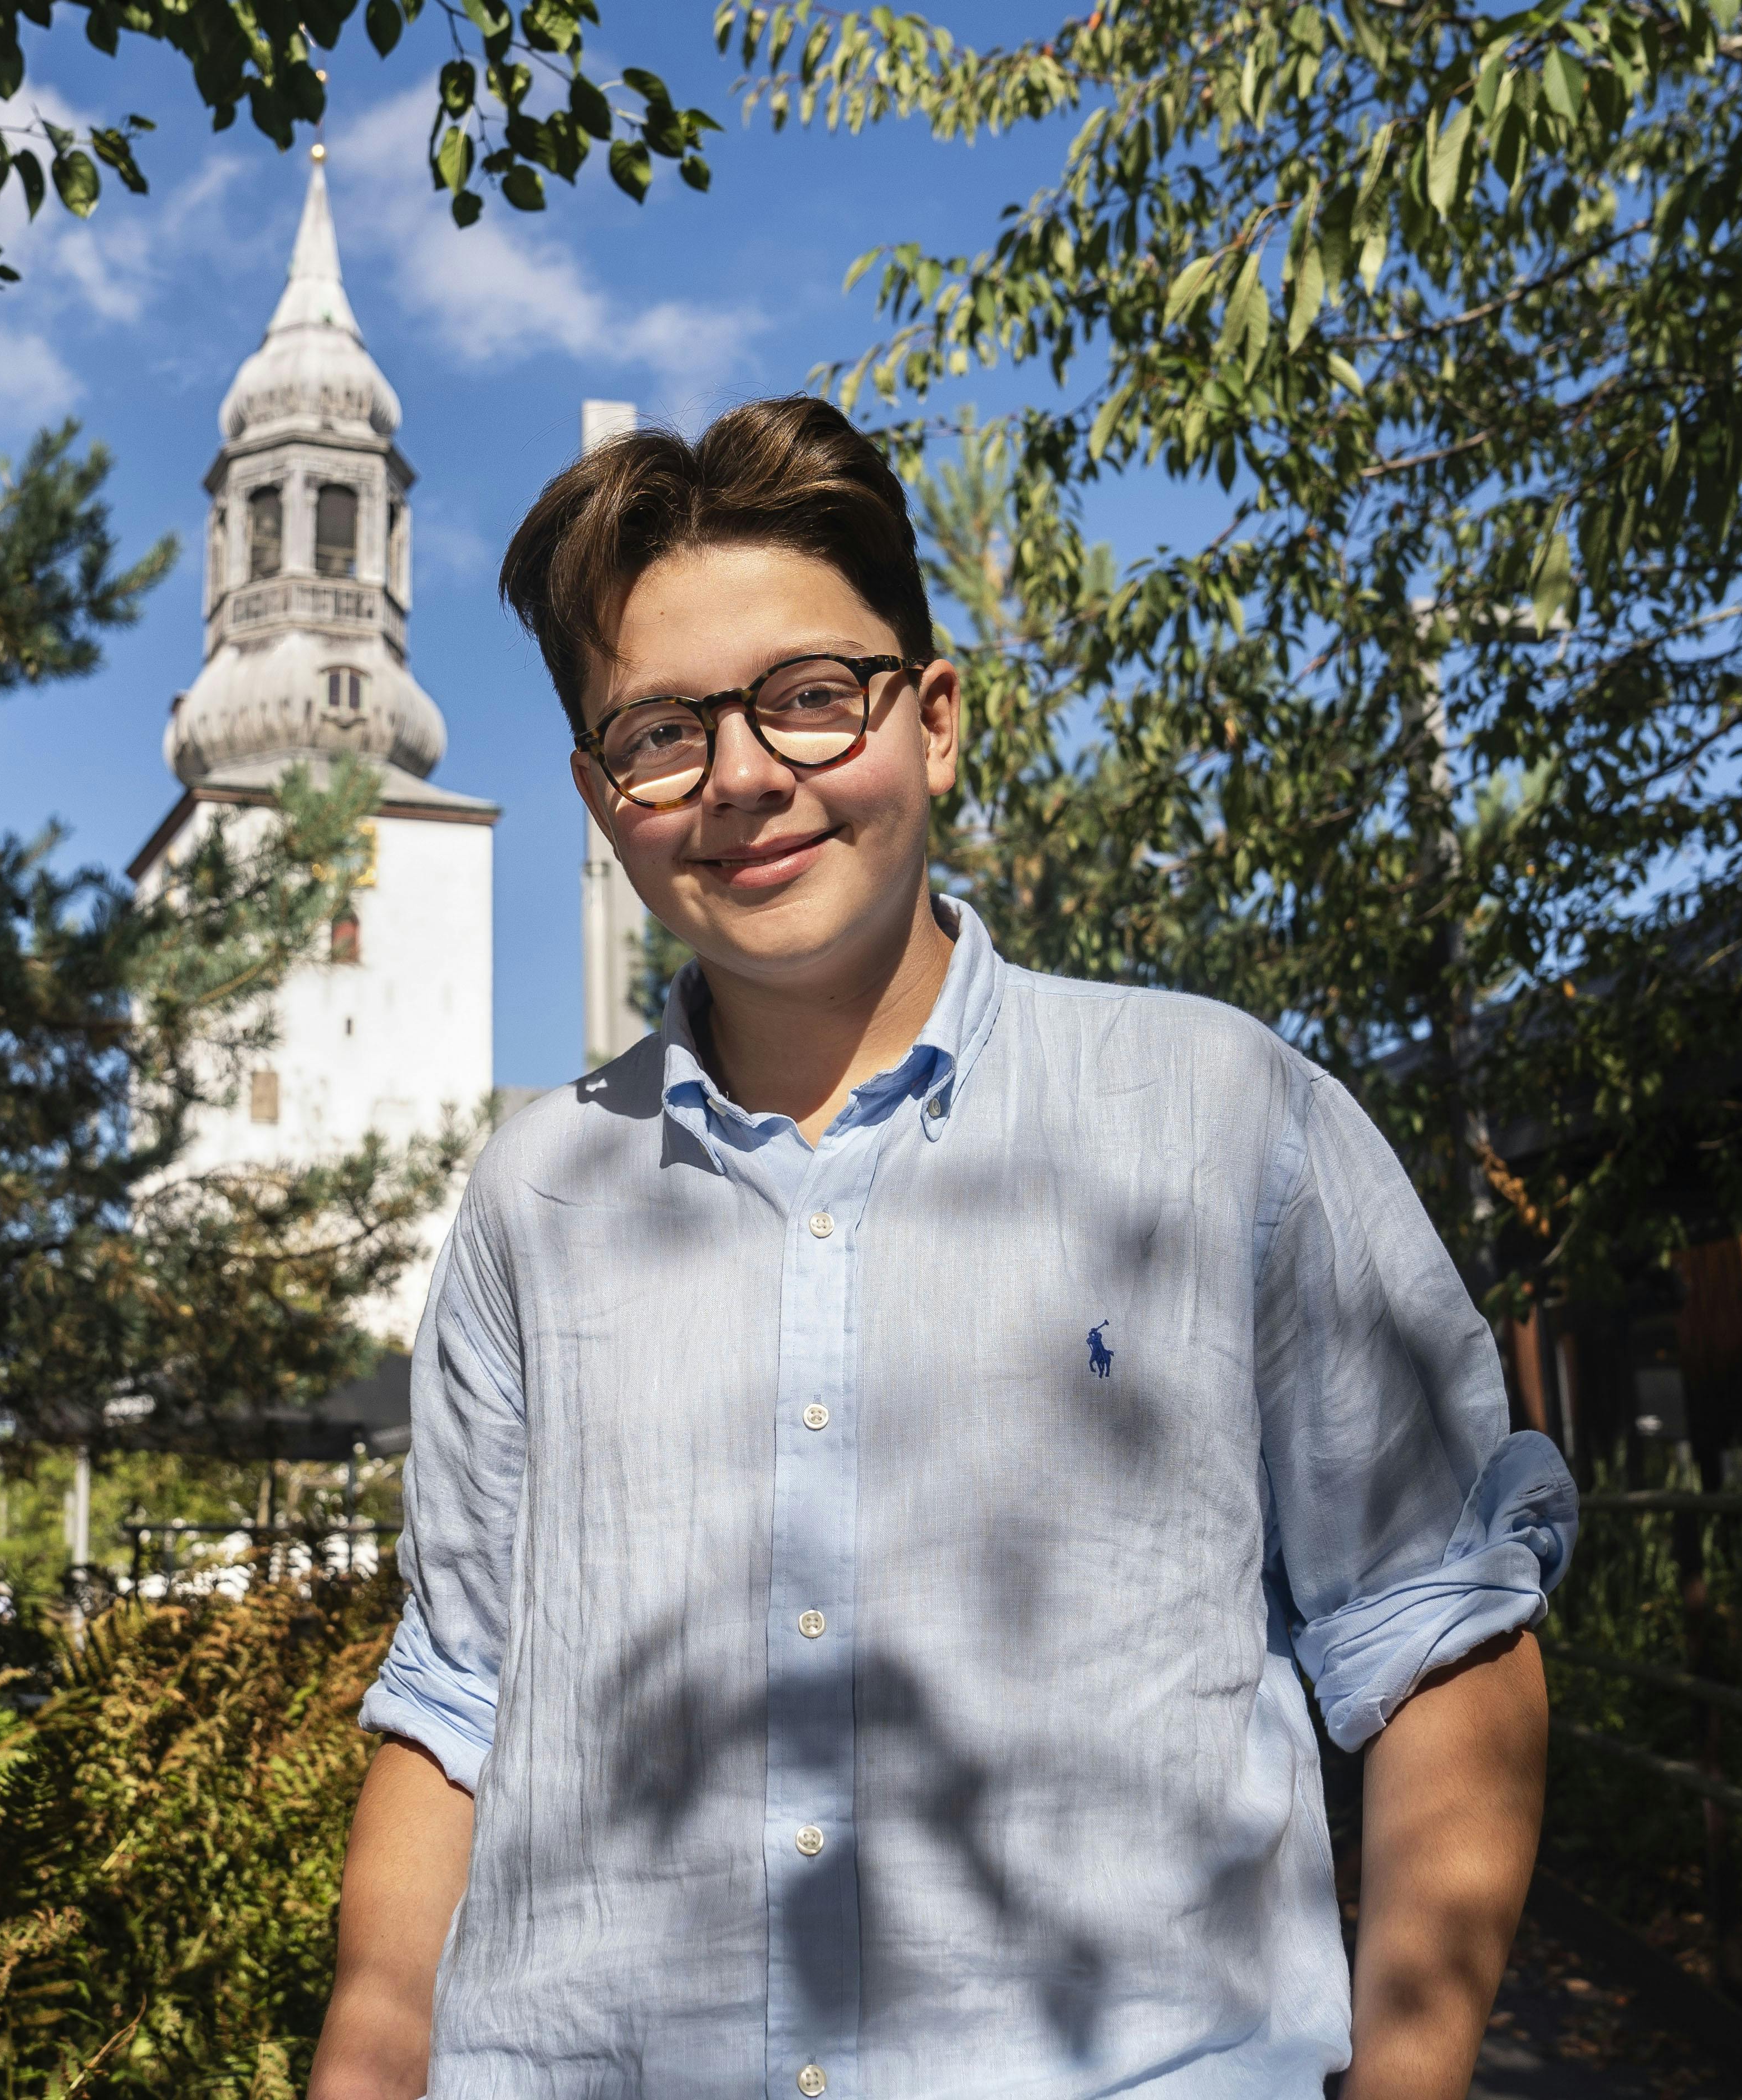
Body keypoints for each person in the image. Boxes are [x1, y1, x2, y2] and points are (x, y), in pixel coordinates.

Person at [308, 397, 1576, 2100]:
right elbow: (455, 1704)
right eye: (662, 733)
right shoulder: (536, 1198)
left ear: (937, 718)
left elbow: (1437, 1636)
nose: (746, 776)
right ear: (604, 801)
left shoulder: (1222, 1118)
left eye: (810, 698)